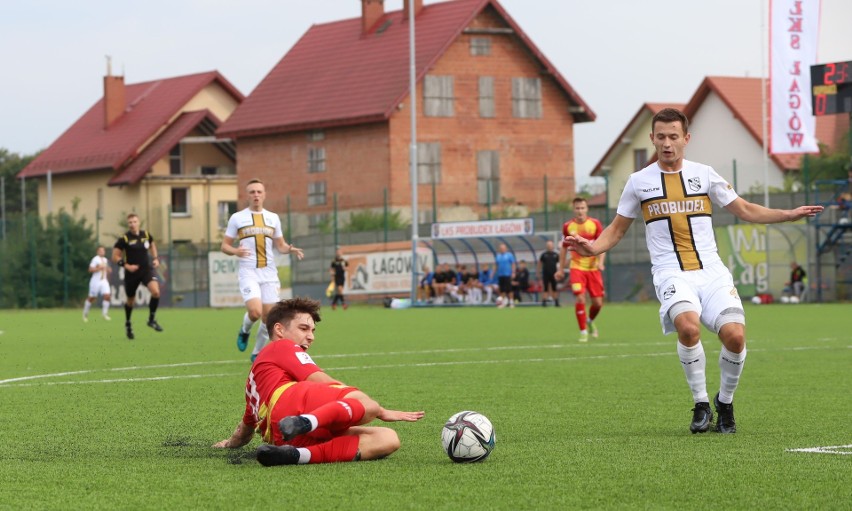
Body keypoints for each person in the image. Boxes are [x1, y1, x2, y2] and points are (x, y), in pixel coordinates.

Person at [563, 108, 823, 434]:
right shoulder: (638, 182)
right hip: (671, 271)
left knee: (736, 336)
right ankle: (700, 404)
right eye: (661, 137)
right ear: (652, 139)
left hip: (712, 271)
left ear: (686, 139)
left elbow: (744, 209)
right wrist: (592, 248)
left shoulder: (705, 174)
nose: (667, 143)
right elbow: (616, 230)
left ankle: (724, 403)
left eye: (674, 136)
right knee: (688, 328)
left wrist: (788, 214)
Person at [213, 297, 425, 465]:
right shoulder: (281, 346)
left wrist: (229, 444)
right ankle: (306, 422)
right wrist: (378, 410)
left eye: (313, 330)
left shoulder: (254, 381)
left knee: (387, 439)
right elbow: (320, 380)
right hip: (290, 405)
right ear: (279, 330)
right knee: (364, 401)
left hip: (283, 436)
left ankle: (297, 455)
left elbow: (246, 427)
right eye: (304, 328)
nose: (311, 336)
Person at [222, 179, 304, 361]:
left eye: (259, 191)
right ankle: (244, 331)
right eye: (252, 192)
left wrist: (290, 249)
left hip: (269, 273)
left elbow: (280, 245)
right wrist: (236, 251)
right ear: (247, 195)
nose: (256, 195)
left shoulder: (273, 218)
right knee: (255, 312)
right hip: (248, 271)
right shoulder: (237, 218)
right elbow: (224, 246)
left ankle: (257, 353)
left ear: (264, 194)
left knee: (269, 317)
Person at [557, 197, 606, 342]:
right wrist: (560, 269)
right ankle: (583, 331)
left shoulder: (595, 224)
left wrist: (601, 262)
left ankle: (590, 321)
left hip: (593, 268)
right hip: (576, 267)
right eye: (577, 208)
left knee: (597, 303)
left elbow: (602, 245)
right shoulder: (568, 227)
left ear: (587, 209)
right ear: (573, 209)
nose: (580, 211)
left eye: (582, 208)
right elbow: (564, 249)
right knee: (580, 297)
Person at [112, 213, 164, 340]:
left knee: (156, 292)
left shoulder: (145, 235)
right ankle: (128, 324)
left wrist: (156, 258)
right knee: (131, 301)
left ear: (138, 222)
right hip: (132, 273)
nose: (132, 224)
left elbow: (152, 245)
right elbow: (115, 257)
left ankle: (151, 320)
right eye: (130, 222)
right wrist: (126, 266)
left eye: (134, 221)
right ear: (128, 224)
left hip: (146, 270)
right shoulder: (124, 239)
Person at [83, 246, 112, 322]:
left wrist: (108, 270)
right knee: (92, 298)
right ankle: (85, 314)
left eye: (103, 250)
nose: (102, 252)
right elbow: (90, 269)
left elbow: (107, 269)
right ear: (97, 252)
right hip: (95, 281)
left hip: (104, 280)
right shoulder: (95, 259)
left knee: (107, 296)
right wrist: (99, 268)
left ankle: (104, 314)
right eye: (100, 250)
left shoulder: (105, 260)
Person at [538, 240, 561, 307]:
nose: (549, 246)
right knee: (545, 288)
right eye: (548, 245)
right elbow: (540, 263)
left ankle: (556, 301)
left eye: (550, 245)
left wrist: (559, 271)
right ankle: (544, 301)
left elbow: (560, 263)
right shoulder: (543, 255)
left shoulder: (556, 254)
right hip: (545, 274)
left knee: (554, 288)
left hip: (554, 274)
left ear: (553, 246)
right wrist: (538, 272)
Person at [494, 243, 516, 308]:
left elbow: (513, 264)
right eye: (501, 248)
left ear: (505, 248)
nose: (502, 249)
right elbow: (496, 265)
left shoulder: (509, 255)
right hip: (500, 275)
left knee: (509, 289)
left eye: (503, 248)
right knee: (502, 290)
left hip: (507, 275)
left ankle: (511, 302)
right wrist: (492, 273)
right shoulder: (498, 256)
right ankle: (502, 303)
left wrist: (513, 272)